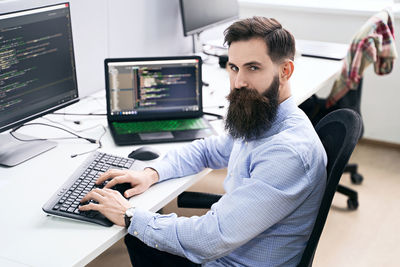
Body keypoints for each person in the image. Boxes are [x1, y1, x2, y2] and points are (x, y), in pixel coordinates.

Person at [80, 16, 327, 266]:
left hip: (229, 259)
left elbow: (210, 238)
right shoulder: (263, 118)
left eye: (253, 68)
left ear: (285, 71)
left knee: (138, 234)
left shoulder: (286, 152)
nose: (239, 82)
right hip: (230, 249)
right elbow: (207, 151)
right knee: (141, 235)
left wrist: (130, 215)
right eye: (233, 67)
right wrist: (151, 173)